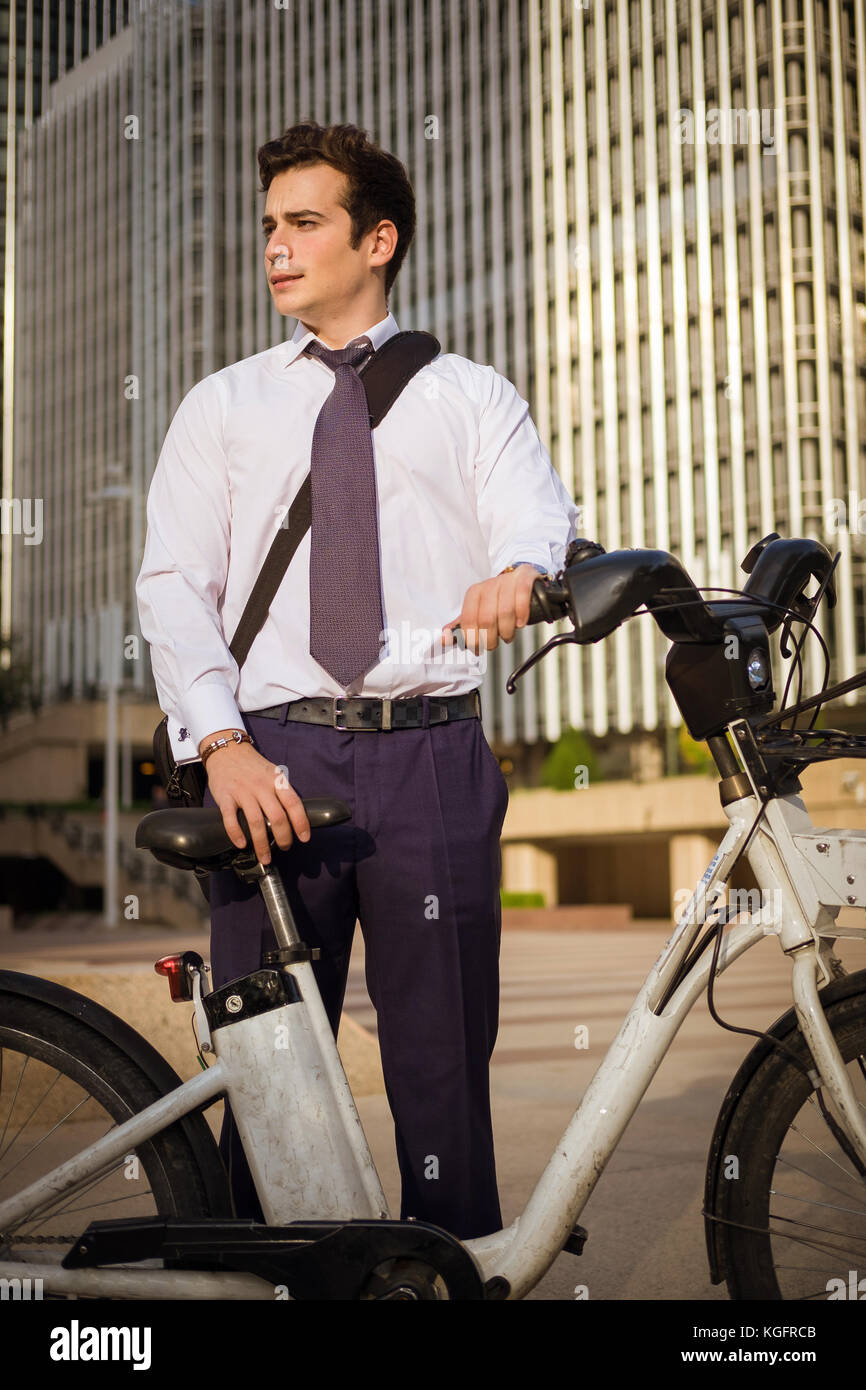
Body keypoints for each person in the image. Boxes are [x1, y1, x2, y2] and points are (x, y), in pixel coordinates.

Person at [136, 120, 579, 1241]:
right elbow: (173, 584)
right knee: (270, 1061)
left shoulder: (472, 397)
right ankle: (251, 1272)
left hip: (430, 752)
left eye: (304, 224)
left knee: (442, 1065)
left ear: (375, 240)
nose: (276, 247)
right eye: (270, 227)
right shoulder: (221, 404)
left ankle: (451, 1265)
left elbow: (536, 516)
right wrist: (219, 743)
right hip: (270, 761)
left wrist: (524, 569)